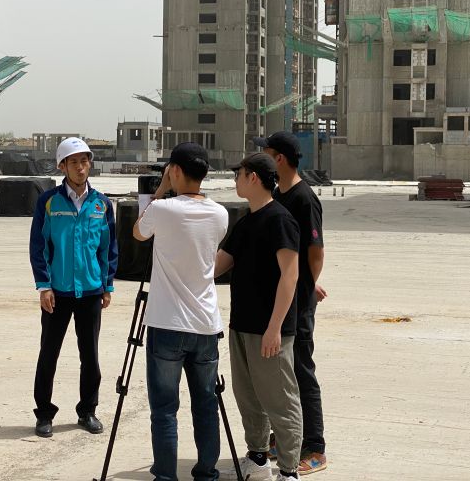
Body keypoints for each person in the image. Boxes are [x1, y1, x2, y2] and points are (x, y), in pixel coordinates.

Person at [132, 142, 229, 481]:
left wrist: (159, 190)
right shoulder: (220, 214)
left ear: (174, 171)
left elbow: (138, 232)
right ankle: (206, 473)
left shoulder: (163, 209)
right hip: (205, 324)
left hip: (166, 323)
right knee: (206, 405)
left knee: (164, 410)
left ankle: (166, 476)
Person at [215, 153, 302, 481]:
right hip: (242, 325)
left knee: (280, 399)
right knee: (248, 397)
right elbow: (219, 265)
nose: (235, 180)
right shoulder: (246, 222)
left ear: (253, 177)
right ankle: (258, 458)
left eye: (238, 174)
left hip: (270, 329)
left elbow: (290, 276)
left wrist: (274, 328)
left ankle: (289, 471)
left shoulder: (280, 220)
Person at [29, 137, 118, 438]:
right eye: (74, 162)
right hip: (58, 292)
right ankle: (44, 414)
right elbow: (39, 245)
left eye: (84, 161)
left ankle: (87, 411)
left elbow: (108, 248)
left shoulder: (101, 204)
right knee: (48, 354)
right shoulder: (49, 202)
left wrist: (107, 285)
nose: (81, 168)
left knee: (90, 356)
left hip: (91, 292)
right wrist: (44, 286)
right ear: (62, 166)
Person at [254, 132, 328, 475]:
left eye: (266, 153)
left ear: (279, 159)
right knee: (281, 375)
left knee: (301, 372)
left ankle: (314, 447)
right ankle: (284, 439)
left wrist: (307, 287)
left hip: (297, 304)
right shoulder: (279, 195)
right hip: (281, 300)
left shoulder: (303, 198)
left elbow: (315, 252)